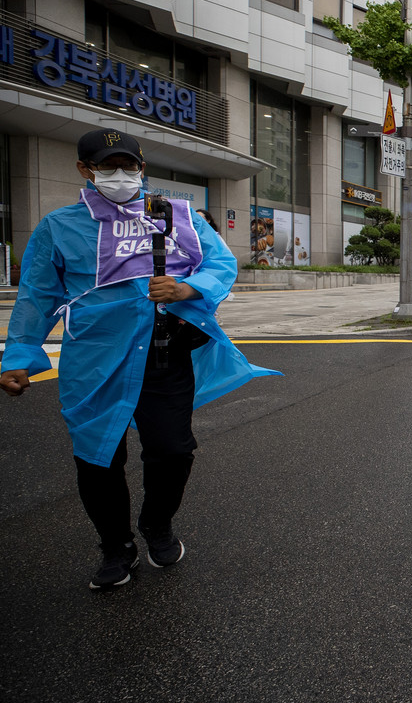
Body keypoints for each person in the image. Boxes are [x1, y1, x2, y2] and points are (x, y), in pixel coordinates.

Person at [0, 128, 279, 589]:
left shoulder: (176, 215)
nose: (120, 174)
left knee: (173, 450)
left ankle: (157, 523)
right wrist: (19, 356)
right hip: (92, 360)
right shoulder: (59, 227)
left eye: (129, 165)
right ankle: (115, 546)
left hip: (164, 353)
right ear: (84, 170)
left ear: (142, 168)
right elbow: (37, 296)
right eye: (107, 166)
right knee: (97, 457)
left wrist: (189, 287)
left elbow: (221, 263)